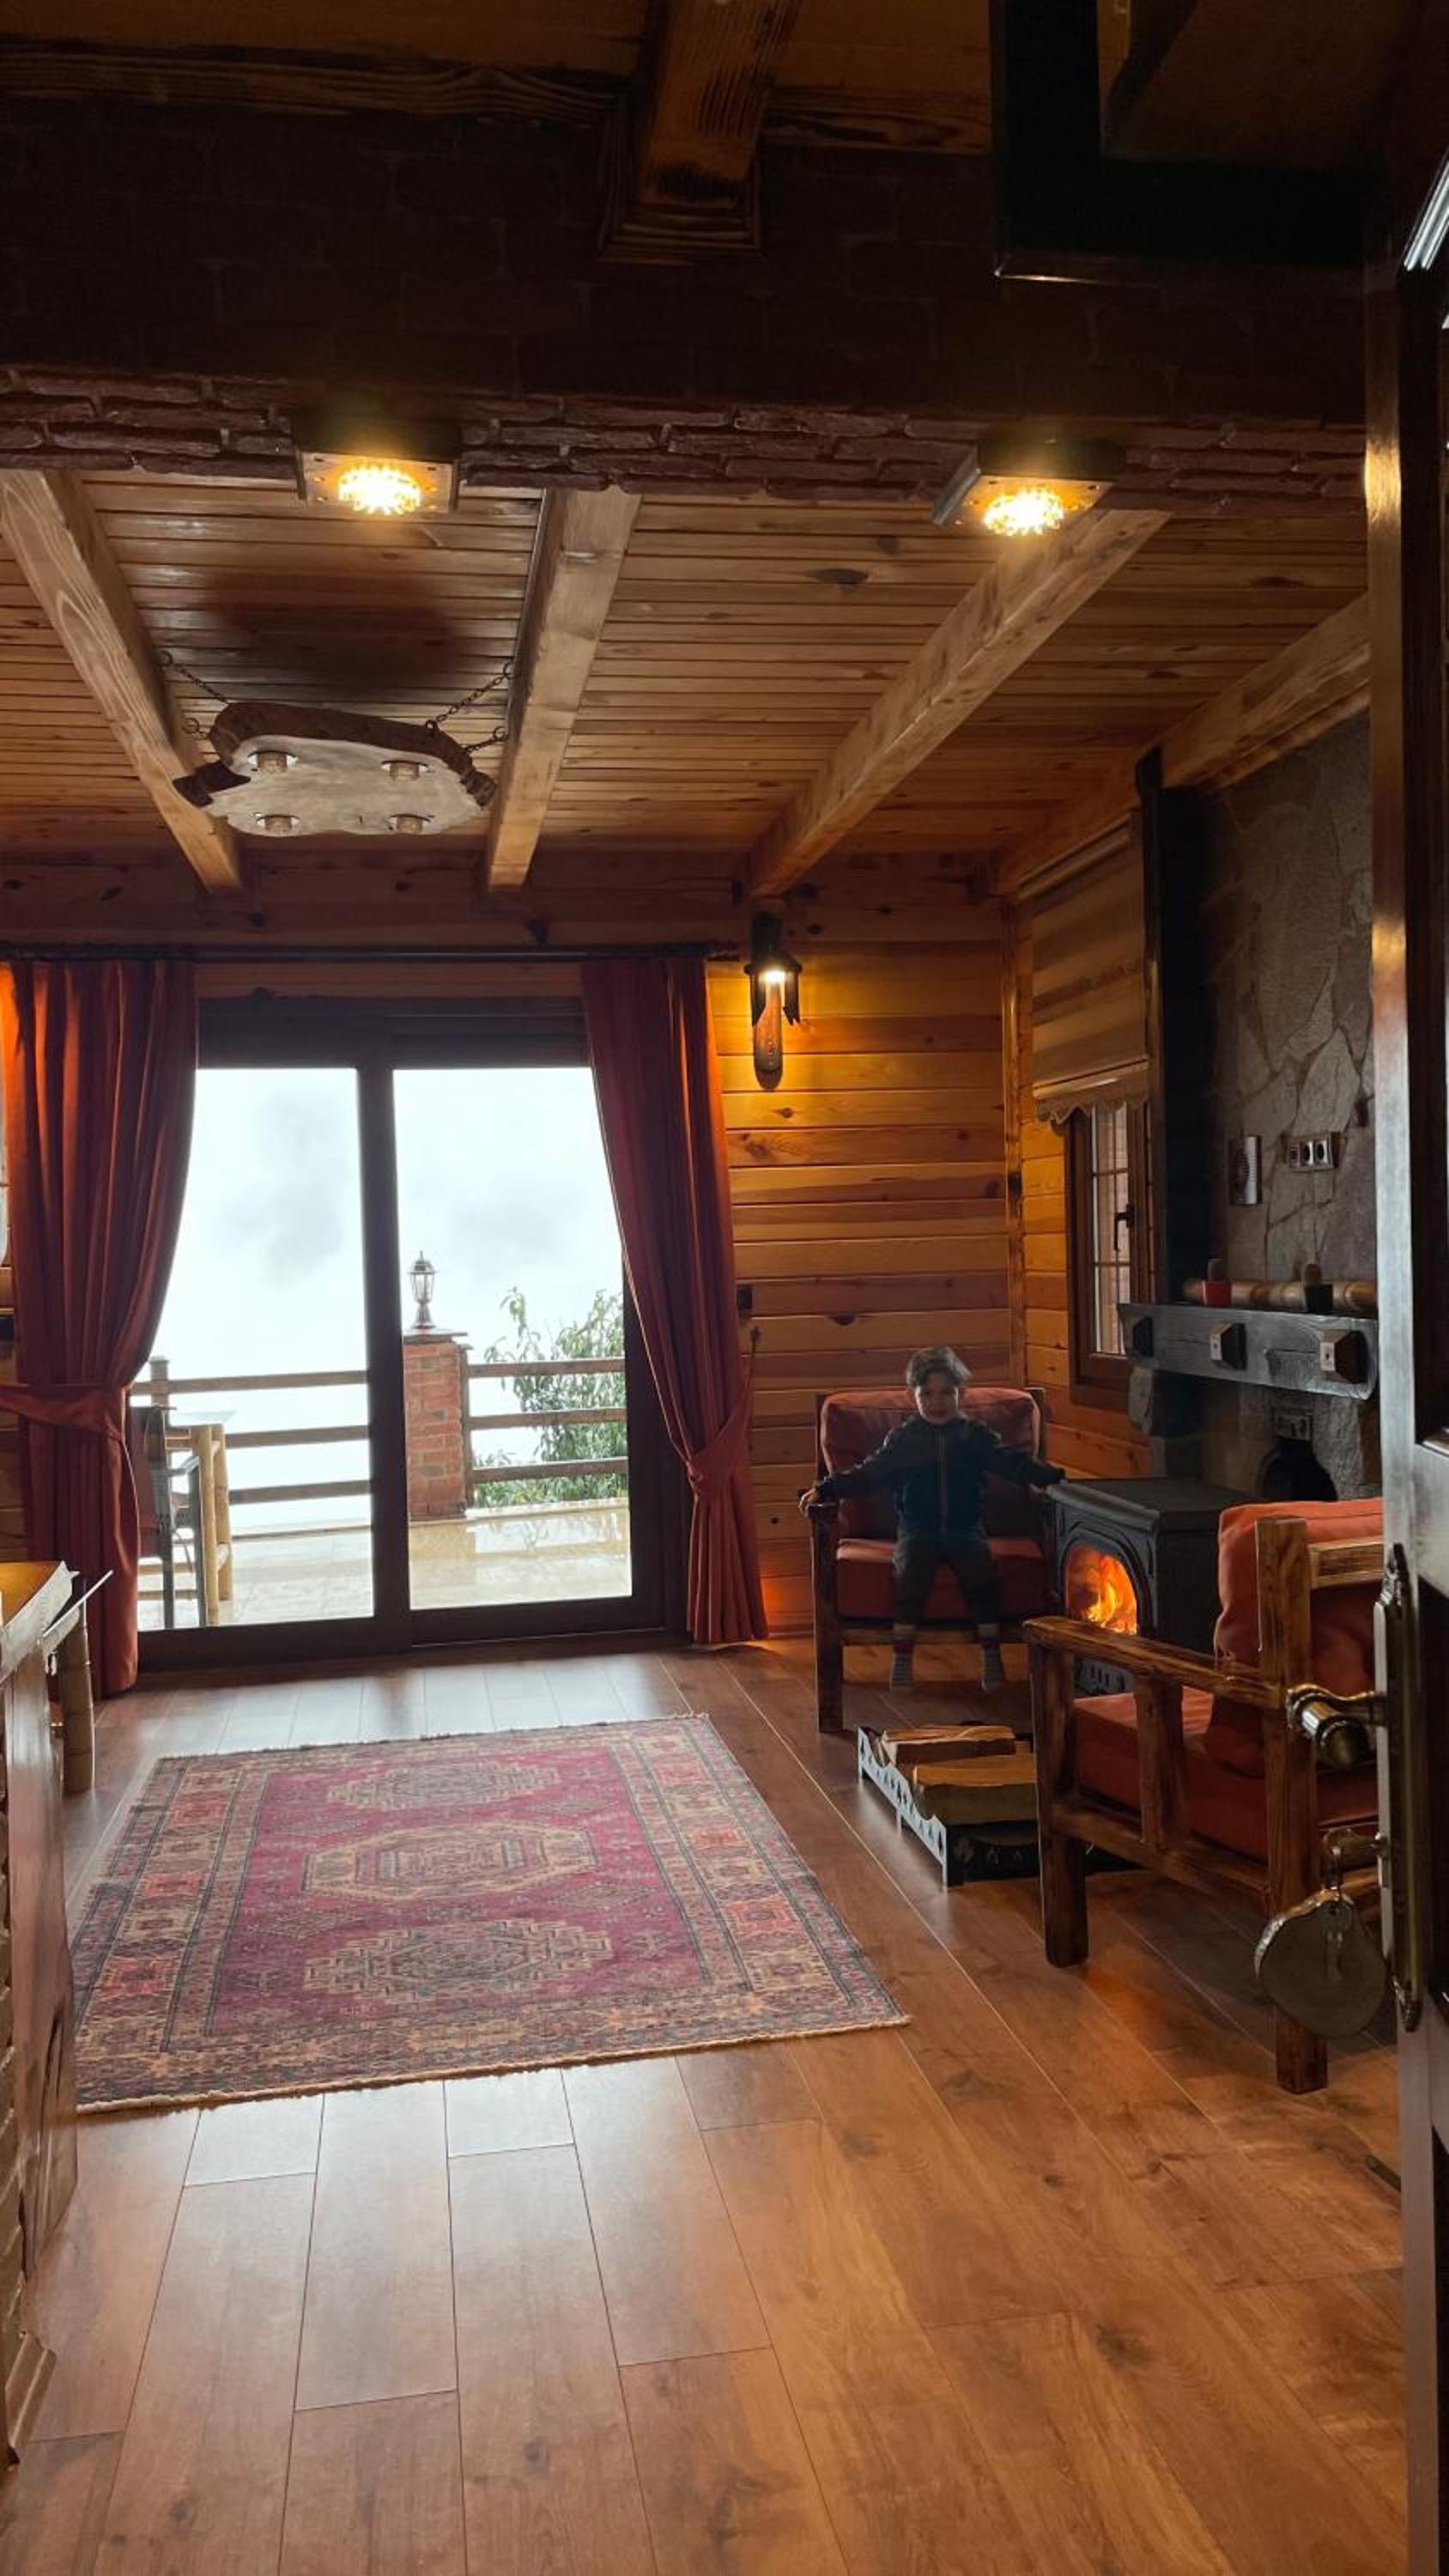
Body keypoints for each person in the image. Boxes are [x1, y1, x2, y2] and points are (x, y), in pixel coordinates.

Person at [799, 1346, 1064, 1692]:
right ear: (913, 1396)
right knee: (910, 1573)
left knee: (981, 1574)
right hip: (916, 1528)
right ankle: (902, 1655)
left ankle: (990, 1651)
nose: (937, 1402)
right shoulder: (904, 1439)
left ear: (961, 1394)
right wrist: (826, 1488)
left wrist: (1056, 1479)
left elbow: (1013, 1463)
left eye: (946, 1393)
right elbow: (869, 1474)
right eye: (927, 1393)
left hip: (965, 1527)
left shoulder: (974, 1436)